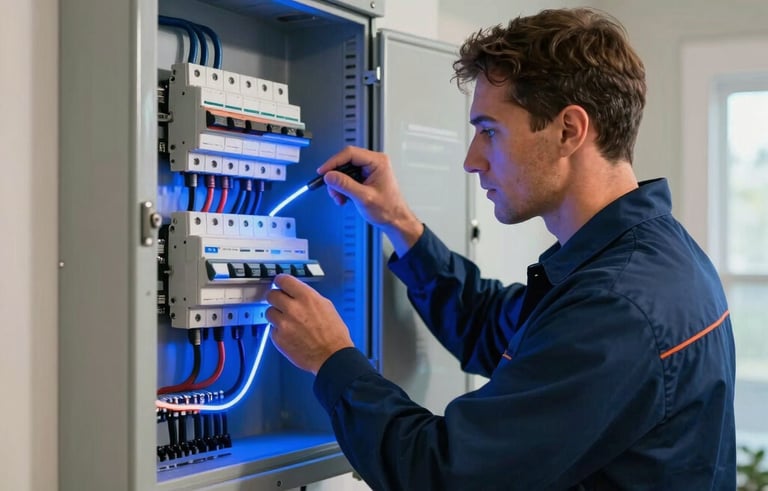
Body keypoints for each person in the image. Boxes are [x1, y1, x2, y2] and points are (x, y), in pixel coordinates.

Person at [265, 7, 736, 490]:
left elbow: (442, 475)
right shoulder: (643, 260)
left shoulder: (617, 305)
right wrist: (400, 223)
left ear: (569, 130)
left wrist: (331, 357)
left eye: (490, 130)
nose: (472, 160)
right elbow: (491, 328)